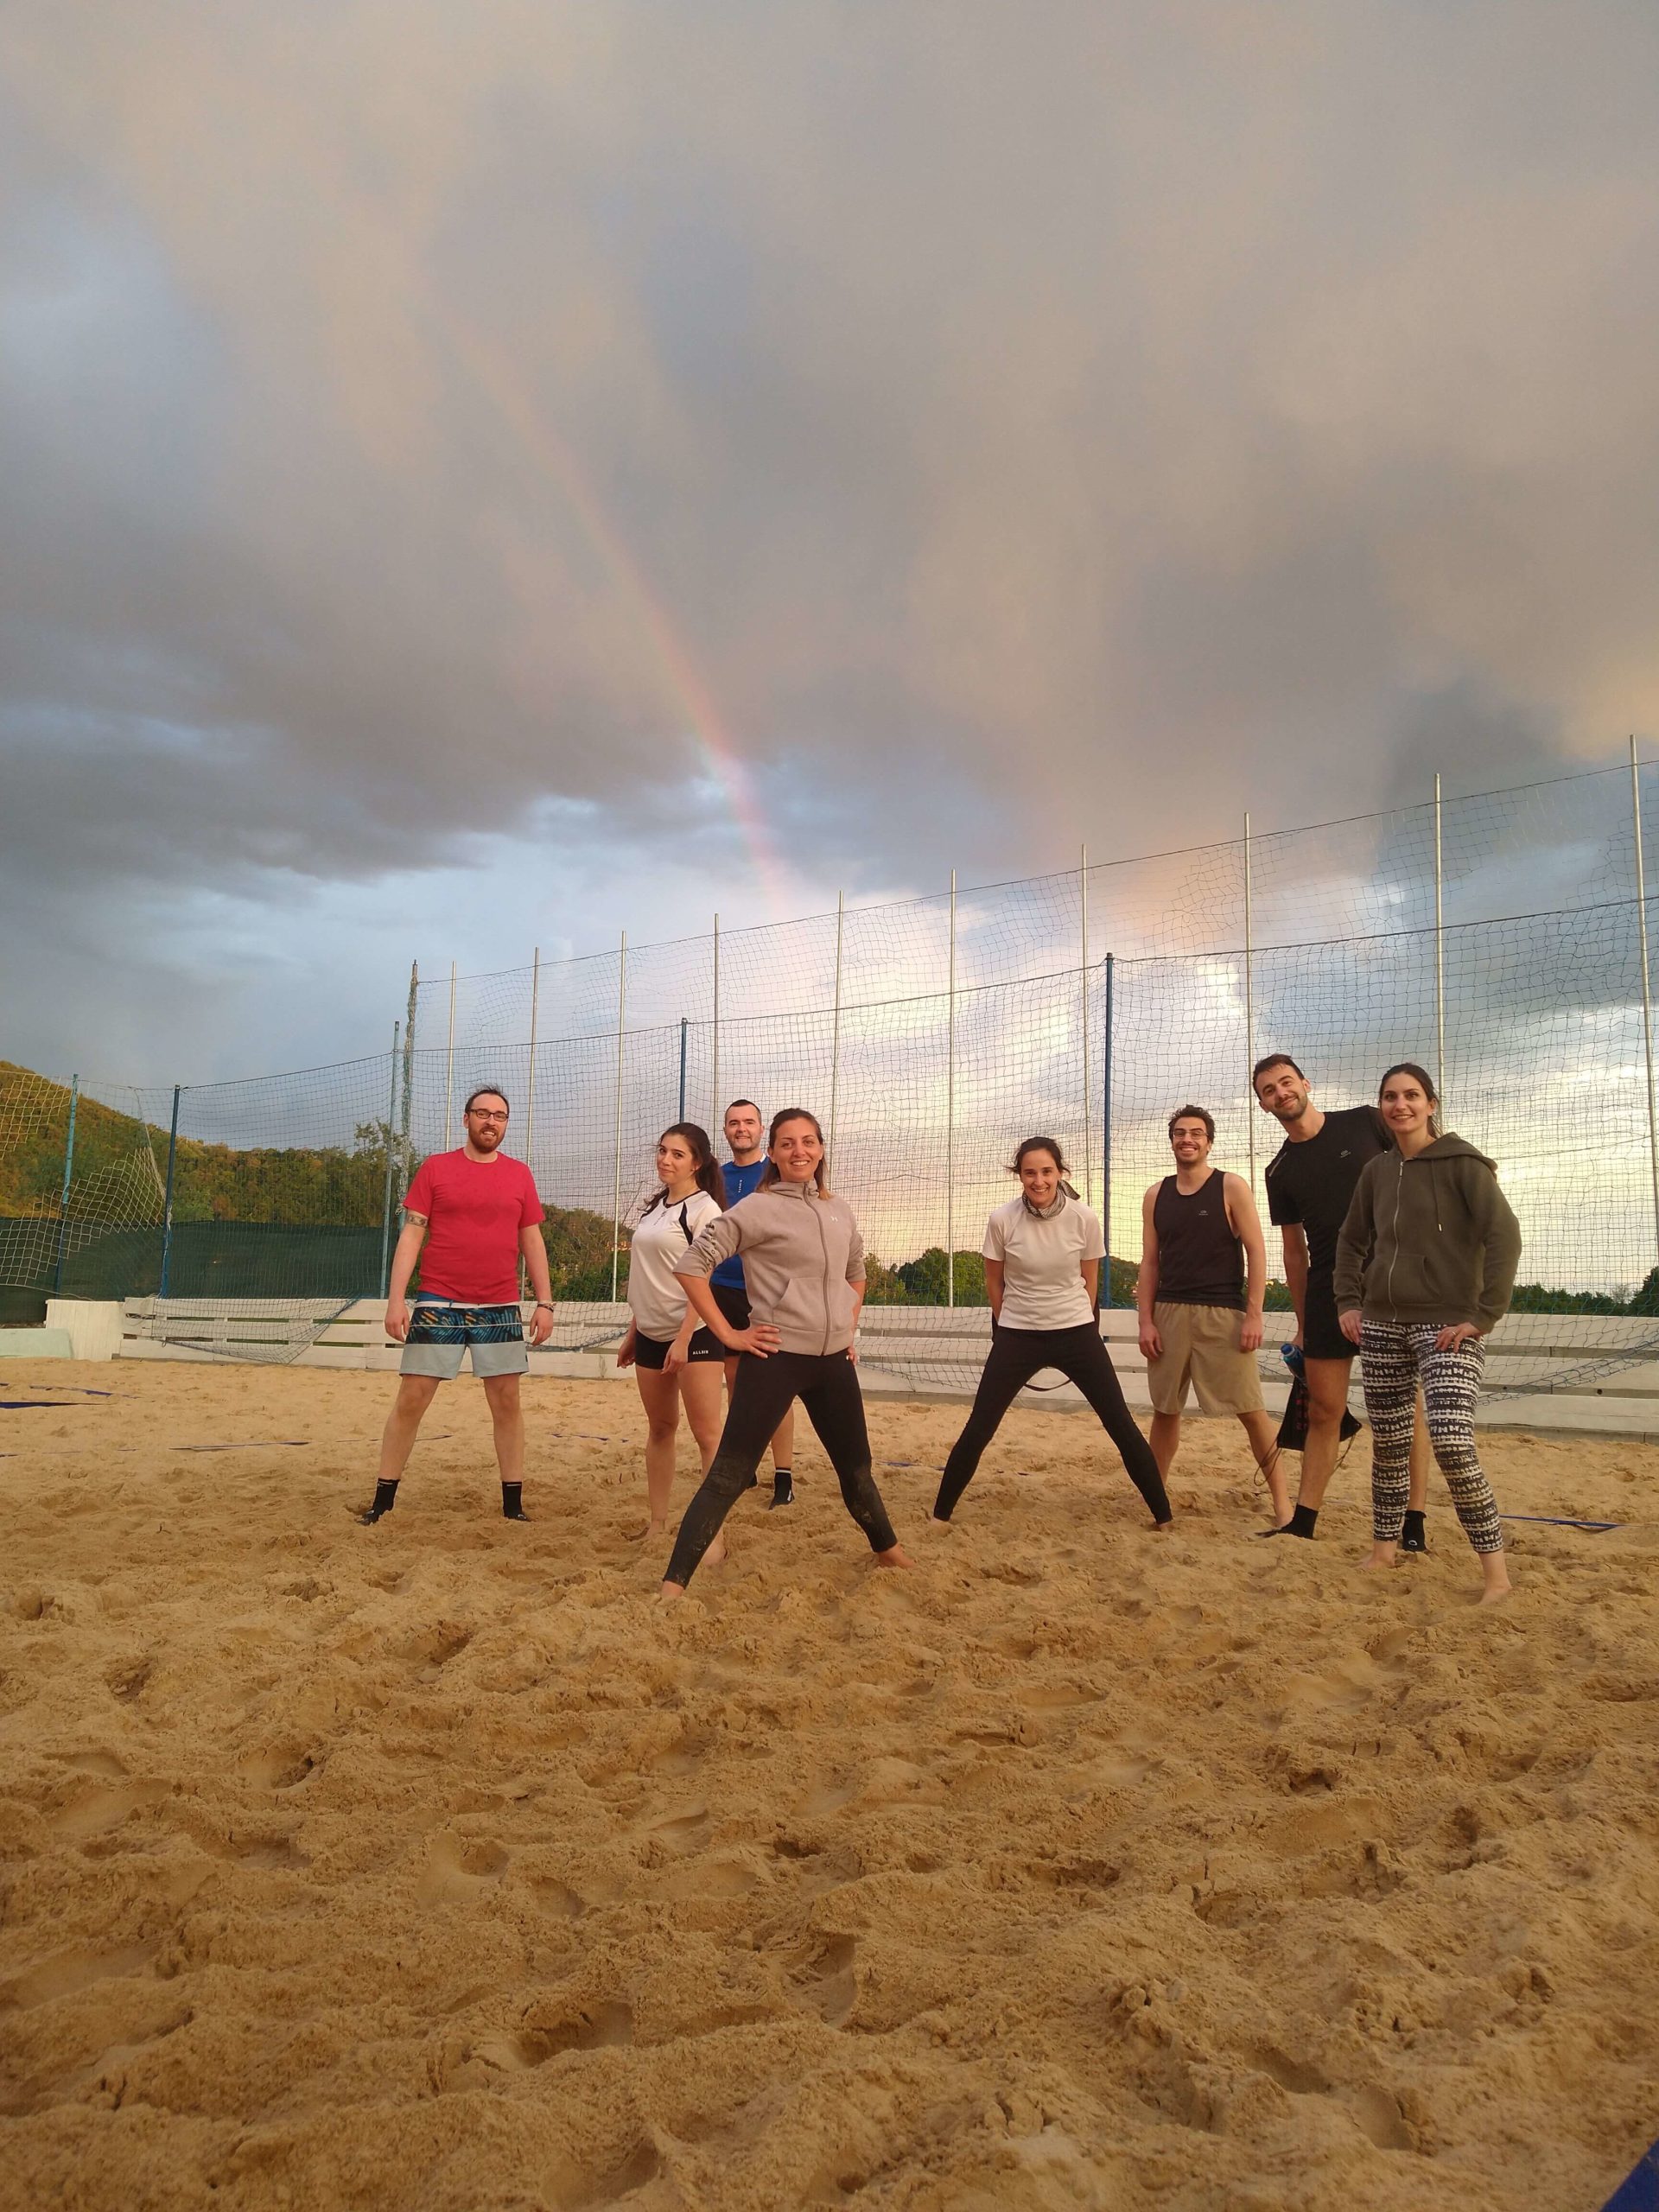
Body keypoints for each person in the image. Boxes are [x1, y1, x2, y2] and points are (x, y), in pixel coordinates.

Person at [660, 1107, 912, 1595]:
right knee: (729, 1476)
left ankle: (889, 1553)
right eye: (789, 1143)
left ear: (820, 1149)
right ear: (772, 1153)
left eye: (809, 1142)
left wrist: (846, 1325)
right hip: (775, 1358)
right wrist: (730, 1335)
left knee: (857, 1470)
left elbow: (856, 1273)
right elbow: (692, 1266)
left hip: (834, 1361)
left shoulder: (839, 1209)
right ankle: (674, 1583)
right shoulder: (757, 1207)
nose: (800, 1151)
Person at [1334, 1062, 1521, 1604]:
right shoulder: (1377, 1171)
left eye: (1412, 1096)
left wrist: (1483, 1317)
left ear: (1431, 1104)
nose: (1401, 1105)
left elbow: (1504, 1236)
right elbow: (1350, 1243)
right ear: (1382, 1107)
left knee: (1451, 1441)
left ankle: (1496, 1578)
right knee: (1389, 1443)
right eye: (1390, 1097)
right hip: (1384, 1323)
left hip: (1449, 1326)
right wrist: (1349, 1302)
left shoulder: (1464, 1164)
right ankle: (1384, 1550)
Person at [931, 1138, 1173, 1529]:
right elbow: (995, 1283)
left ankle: (1163, 1517)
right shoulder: (1002, 1219)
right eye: (1030, 1172)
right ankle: (941, 1516)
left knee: (1120, 1423)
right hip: (1017, 1334)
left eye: (1046, 1171)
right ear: (1019, 1176)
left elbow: (1089, 1282)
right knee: (980, 1425)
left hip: (1075, 1333)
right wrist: (1011, 1323)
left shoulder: (1084, 1218)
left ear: (1060, 1173)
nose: (1039, 1181)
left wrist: (1076, 1324)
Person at [1255, 1054, 1431, 1544]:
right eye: (1268, 1090)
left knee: (1401, 1406)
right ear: (1264, 1105)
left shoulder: (1365, 1121)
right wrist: (1303, 1322)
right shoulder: (1278, 1170)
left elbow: (1422, 1165)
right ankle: (1303, 1522)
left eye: (1286, 1082)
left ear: (1305, 1083)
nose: (1281, 1092)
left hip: (1393, 1281)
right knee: (1325, 1411)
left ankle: (1413, 1521)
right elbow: (1294, 1252)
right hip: (1329, 1291)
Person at [359, 1086, 553, 1524]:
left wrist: (545, 1301)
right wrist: (395, 1300)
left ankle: (513, 1507)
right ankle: (382, 1503)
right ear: (465, 1120)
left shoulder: (520, 1175)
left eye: (500, 1116)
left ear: (506, 1123)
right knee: (412, 1398)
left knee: (506, 1402)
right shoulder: (435, 1169)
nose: (491, 1122)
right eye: (483, 1113)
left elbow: (532, 1240)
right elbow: (412, 1236)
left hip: (501, 1304)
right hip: (438, 1301)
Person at [1137, 1105, 1291, 1526]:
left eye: (1196, 1133)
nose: (1188, 1139)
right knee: (1166, 1412)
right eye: (1180, 1133)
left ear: (1209, 1141)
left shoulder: (1231, 1187)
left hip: (1223, 1313)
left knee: (1251, 1411)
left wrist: (1254, 1314)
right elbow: (1150, 1263)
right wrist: (1145, 1321)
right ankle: (1158, 1504)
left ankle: (1283, 1506)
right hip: (1169, 1313)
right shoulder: (1156, 1194)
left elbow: (1257, 1252)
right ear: (1171, 1139)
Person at [616, 1123, 728, 1541]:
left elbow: (705, 1280)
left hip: (694, 1334)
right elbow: (647, 1277)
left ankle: (711, 1537)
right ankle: (658, 1525)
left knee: (707, 1435)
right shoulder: (654, 1209)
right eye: (662, 1151)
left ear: (697, 1162)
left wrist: (683, 1340)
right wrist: (634, 1331)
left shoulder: (706, 1211)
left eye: (677, 1154)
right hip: (649, 1333)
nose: (665, 1159)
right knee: (661, 1429)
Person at [711, 1099, 795, 1507]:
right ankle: (746, 1469)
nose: (741, 1128)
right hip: (722, 1288)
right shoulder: (714, 1176)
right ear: (725, 1130)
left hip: (768, 1292)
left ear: (762, 1130)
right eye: (733, 1123)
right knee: (735, 1383)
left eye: (748, 1122)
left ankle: (785, 1476)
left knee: (777, 1386)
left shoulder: (777, 1172)